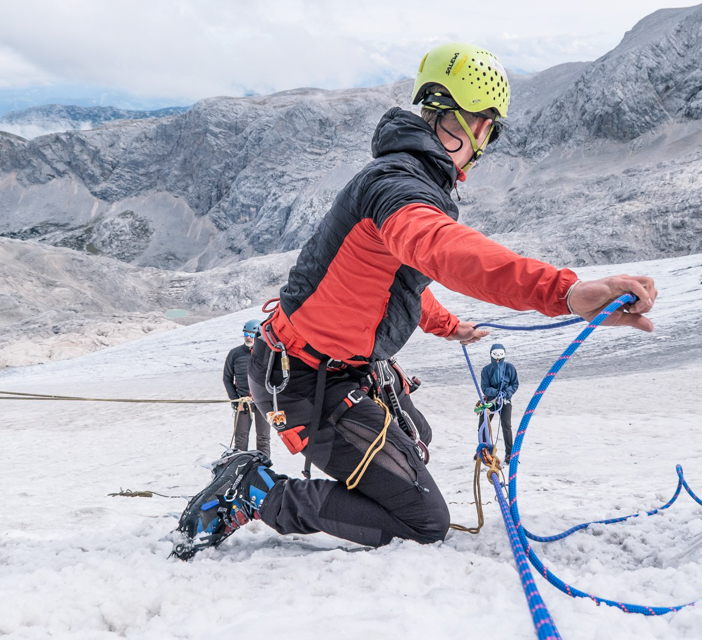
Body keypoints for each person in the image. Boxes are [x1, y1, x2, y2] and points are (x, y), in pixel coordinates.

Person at [173, 42, 657, 559]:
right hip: (306, 384)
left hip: (328, 370)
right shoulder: (396, 186)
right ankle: (257, 492)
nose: (485, 144)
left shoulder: (402, 177)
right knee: (422, 520)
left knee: (416, 435)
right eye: (489, 129)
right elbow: (446, 252)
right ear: (474, 125)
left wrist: (451, 327)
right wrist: (563, 292)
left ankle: (349, 478)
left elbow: (389, 286)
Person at [222, 320, 270, 459]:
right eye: (245, 333)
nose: (248, 337)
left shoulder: (266, 353)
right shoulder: (235, 354)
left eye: (251, 333)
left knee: (263, 438)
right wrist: (236, 401)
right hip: (243, 402)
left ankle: (263, 467)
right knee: (241, 438)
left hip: (263, 402)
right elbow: (227, 378)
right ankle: (240, 466)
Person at [478, 343, 519, 464]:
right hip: (490, 401)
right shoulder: (486, 370)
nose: (497, 360)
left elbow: (514, 384)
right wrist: (496, 392)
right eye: (495, 358)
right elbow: (484, 387)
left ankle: (509, 454)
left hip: (505, 400)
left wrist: (506, 393)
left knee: (506, 425)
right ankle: (484, 451)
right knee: (482, 425)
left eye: (500, 358)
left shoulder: (510, 368)